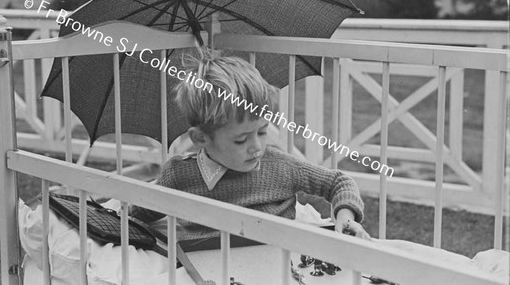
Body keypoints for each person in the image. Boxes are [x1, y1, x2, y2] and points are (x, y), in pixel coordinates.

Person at [130, 48, 370, 241]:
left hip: (280, 267)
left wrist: (345, 217)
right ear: (201, 138)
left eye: (263, 132)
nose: (257, 147)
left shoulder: (281, 166)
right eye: (241, 139)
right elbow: (137, 214)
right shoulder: (179, 175)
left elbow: (339, 182)